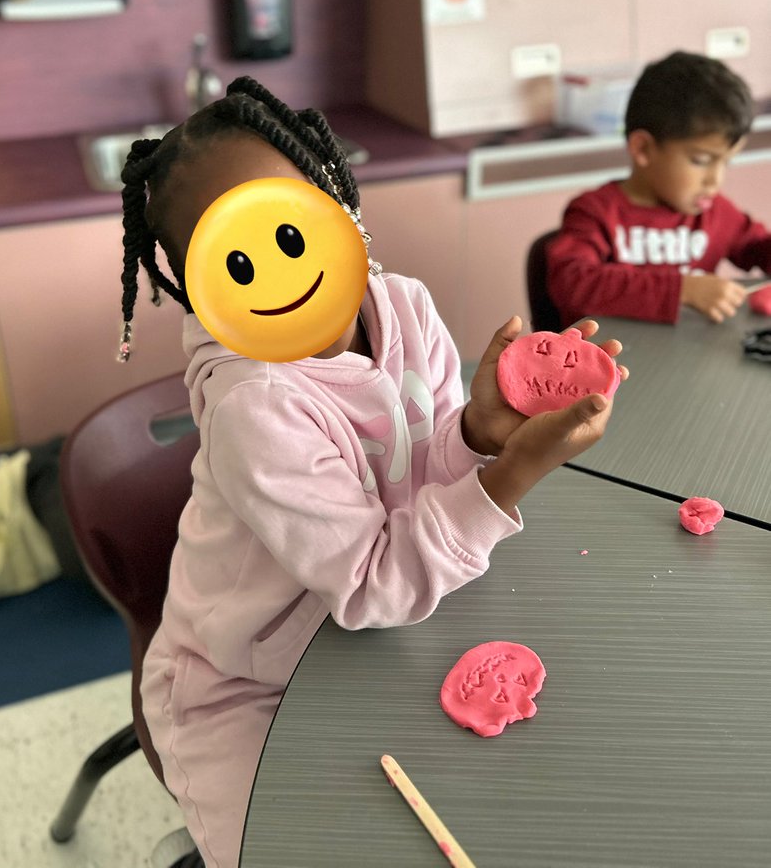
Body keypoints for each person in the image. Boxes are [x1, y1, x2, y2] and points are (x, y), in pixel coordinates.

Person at [119, 76, 622, 868]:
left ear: (335, 203)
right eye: (237, 262)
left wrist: (476, 434)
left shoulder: (408, 307)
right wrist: (507, 480)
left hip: (373, 639)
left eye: (291, 233)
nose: (281, 273)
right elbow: (368, 583)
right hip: (244, 688)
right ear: (197, 290)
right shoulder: (255, 405)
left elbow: (416, 487)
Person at [547, 50, 771, 328]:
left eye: (726, 162)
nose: (715, 180)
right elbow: (572, 283)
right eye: (701, 161)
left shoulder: (716, 212)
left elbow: (758, 246)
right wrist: (681, 290)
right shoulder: (595, 212)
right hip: (610, 363)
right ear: (643, 149)